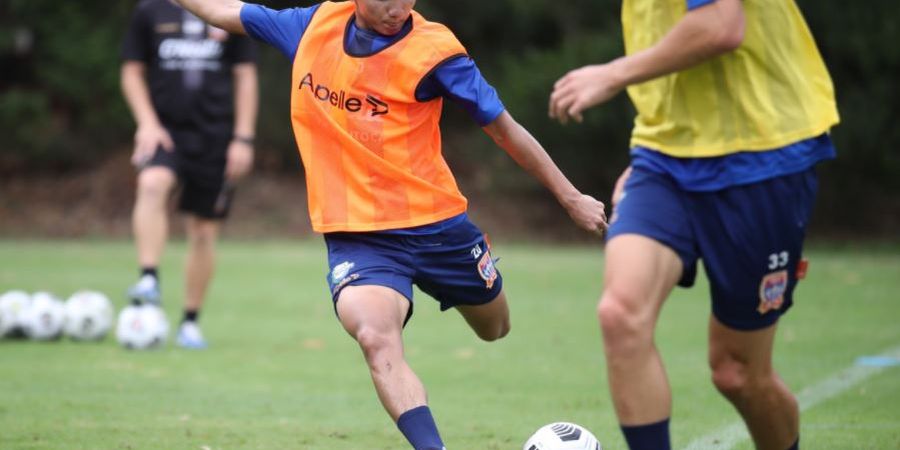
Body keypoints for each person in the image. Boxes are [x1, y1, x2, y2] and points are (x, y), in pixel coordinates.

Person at [171, 0, 607, 448]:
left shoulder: (435, 52)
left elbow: (504, 129)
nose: (399, 7)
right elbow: (223, 10)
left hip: (437, 226)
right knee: (376, 337)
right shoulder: (312, 27)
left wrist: (571, 198)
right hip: (359, 235)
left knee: (495, 327)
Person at [549, 0, 839, 449]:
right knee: (620, 315)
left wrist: (611, 74)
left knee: (738, 373)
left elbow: (722, 25)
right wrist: (651, 146)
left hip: (763, 157)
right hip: (665, 158)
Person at [120, 0, 259, 349]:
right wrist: (147, 124)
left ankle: (190, 323)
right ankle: (149, 277)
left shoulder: (229, 10)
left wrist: (243, 137)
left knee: (202, 231)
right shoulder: (149, 12)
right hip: (165, 132)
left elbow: (245, 76)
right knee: (152, 183)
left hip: (216, 138)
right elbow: (131, 71)